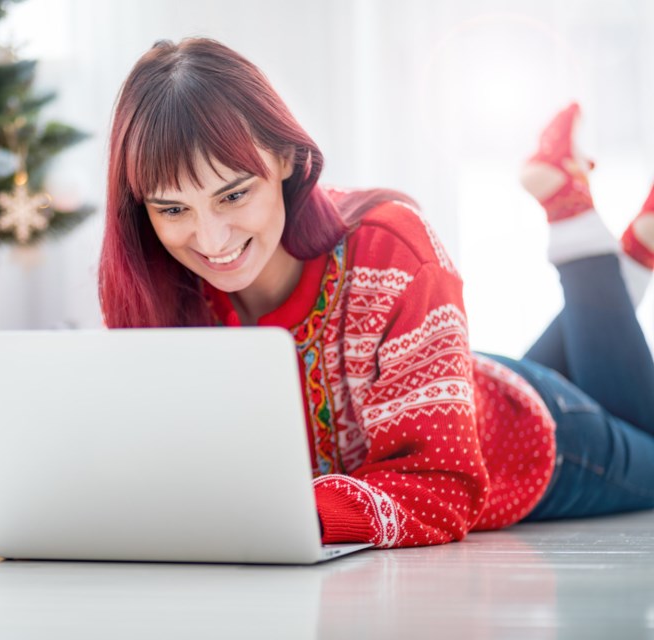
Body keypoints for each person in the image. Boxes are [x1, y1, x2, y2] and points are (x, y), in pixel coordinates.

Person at [98, 38, 654, 548]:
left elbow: (442, 485)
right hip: (448, 379)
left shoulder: (390, 247)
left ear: (287, 158)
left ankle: (575, 217)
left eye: (234, 194)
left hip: (529, 442)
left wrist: (283, 515)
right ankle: (637, 249)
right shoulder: (156, 287)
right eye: (173, 209)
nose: (211, 239)